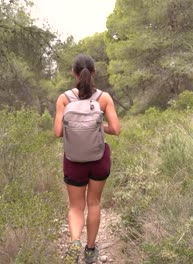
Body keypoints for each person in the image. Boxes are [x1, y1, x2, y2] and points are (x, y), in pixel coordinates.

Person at [53, 54, 120, 263]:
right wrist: (99, 126)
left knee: (75, 206)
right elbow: (116, 129)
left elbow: (57, 132)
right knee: (94, 203)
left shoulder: (64, 98)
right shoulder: (104, 98)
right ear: (94, 73)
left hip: (73, 160)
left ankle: (75, 241)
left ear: (74, 73)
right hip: (98, 159)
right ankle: (90, 250)